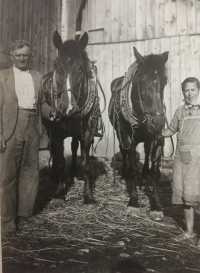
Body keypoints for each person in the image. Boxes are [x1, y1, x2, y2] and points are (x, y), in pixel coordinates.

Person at [0, 40, 58, 234]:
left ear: (30, 56)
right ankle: (8, 218)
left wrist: (50, 112)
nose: (22, 58)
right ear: (12, 57)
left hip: (32, 125)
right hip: (11, 128)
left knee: (30, 172)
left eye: (25, 55)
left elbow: (40, 103)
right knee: (8, 174)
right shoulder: (2, 77)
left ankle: (26, 214)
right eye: (18, 55)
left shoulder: (37, 77)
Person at [161, 77, 200, 246]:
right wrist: (154, 129)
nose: (189, 93)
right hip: (184, 160)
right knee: (186, 196)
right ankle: (190, 232)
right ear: (183, 92)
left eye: (193, 89)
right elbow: (170, 130)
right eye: (186, 90)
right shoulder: (180, 111)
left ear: (198, 90)